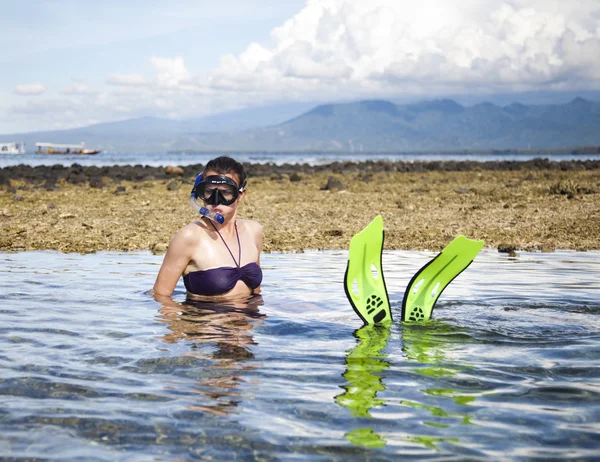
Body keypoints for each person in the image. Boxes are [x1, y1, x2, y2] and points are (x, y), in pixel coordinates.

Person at [153, 156, 263, 301]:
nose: (216, 200)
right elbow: (160, 296)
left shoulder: (253, 231)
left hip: (250, 319)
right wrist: (184, 324)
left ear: (241, 195)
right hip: (204, 321)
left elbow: (257, 293)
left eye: (225, 192)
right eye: (209, 191)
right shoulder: (189, 237)